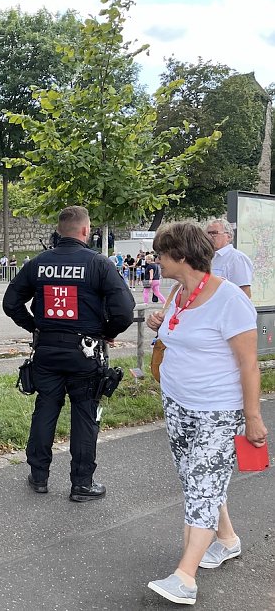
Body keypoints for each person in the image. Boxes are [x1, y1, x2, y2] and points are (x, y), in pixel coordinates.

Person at [144, 222, 266, 605]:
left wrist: (253, 416)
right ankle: (226, 540)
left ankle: (185, 576)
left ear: (181, 256)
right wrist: (158, 324)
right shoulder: (180, 292)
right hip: (178, 403)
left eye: (161, 254)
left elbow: (249, 364)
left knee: (201, 482)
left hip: (218, 409)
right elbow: (175, 336)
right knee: (198, 480)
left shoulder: (230, 299)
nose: (156, 260)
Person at [2, 206, 134, 502]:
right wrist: (107, 332)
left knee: (45, 408)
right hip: (85, 352)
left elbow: (11, 302)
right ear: (86, 231)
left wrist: (35, 326)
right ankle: (82, 484)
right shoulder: (99, 264)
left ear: (59, 231)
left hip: (47, 350)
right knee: (85, 414)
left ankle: (38, 476)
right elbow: (125, 310)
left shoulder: (38, 263)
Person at [206, 218, 253, 298]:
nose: (210, 237)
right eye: (208, 233)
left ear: (228, 237)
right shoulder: (208, 257)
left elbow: (244, 292)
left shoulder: (237, 258)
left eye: (214, 233)